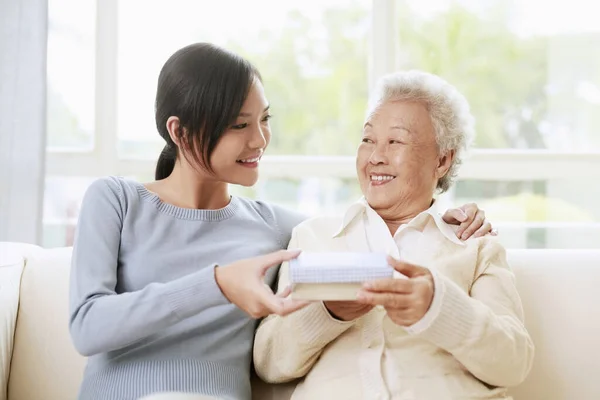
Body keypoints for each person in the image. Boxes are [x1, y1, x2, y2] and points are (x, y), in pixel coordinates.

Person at [69, 43, 495, 400]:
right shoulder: (116, 200)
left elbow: (376, 216)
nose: (260, 140)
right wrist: (216, 283)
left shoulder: (276, 227)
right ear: (179, 132)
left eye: (264, 120)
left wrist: (444, 214)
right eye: (240, 125)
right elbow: (87, 327)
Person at [253, 70, 534, 400]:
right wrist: (328, 313)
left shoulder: (473, 244)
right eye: (368, 140)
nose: (375, 157)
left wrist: (439, 308)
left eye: (395, 141)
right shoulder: (314, 236)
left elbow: (514, 363)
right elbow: (268, 362)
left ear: (443, 159)